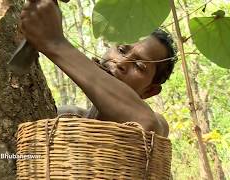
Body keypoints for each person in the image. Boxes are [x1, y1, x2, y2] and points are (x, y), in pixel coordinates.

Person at [20, 0, 177, 137]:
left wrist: (55, 44)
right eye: (121, 50)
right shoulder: (64, 117)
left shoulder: (157, 123)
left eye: (139, 66)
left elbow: (145, 123)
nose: (122, 63)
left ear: (149, 91)